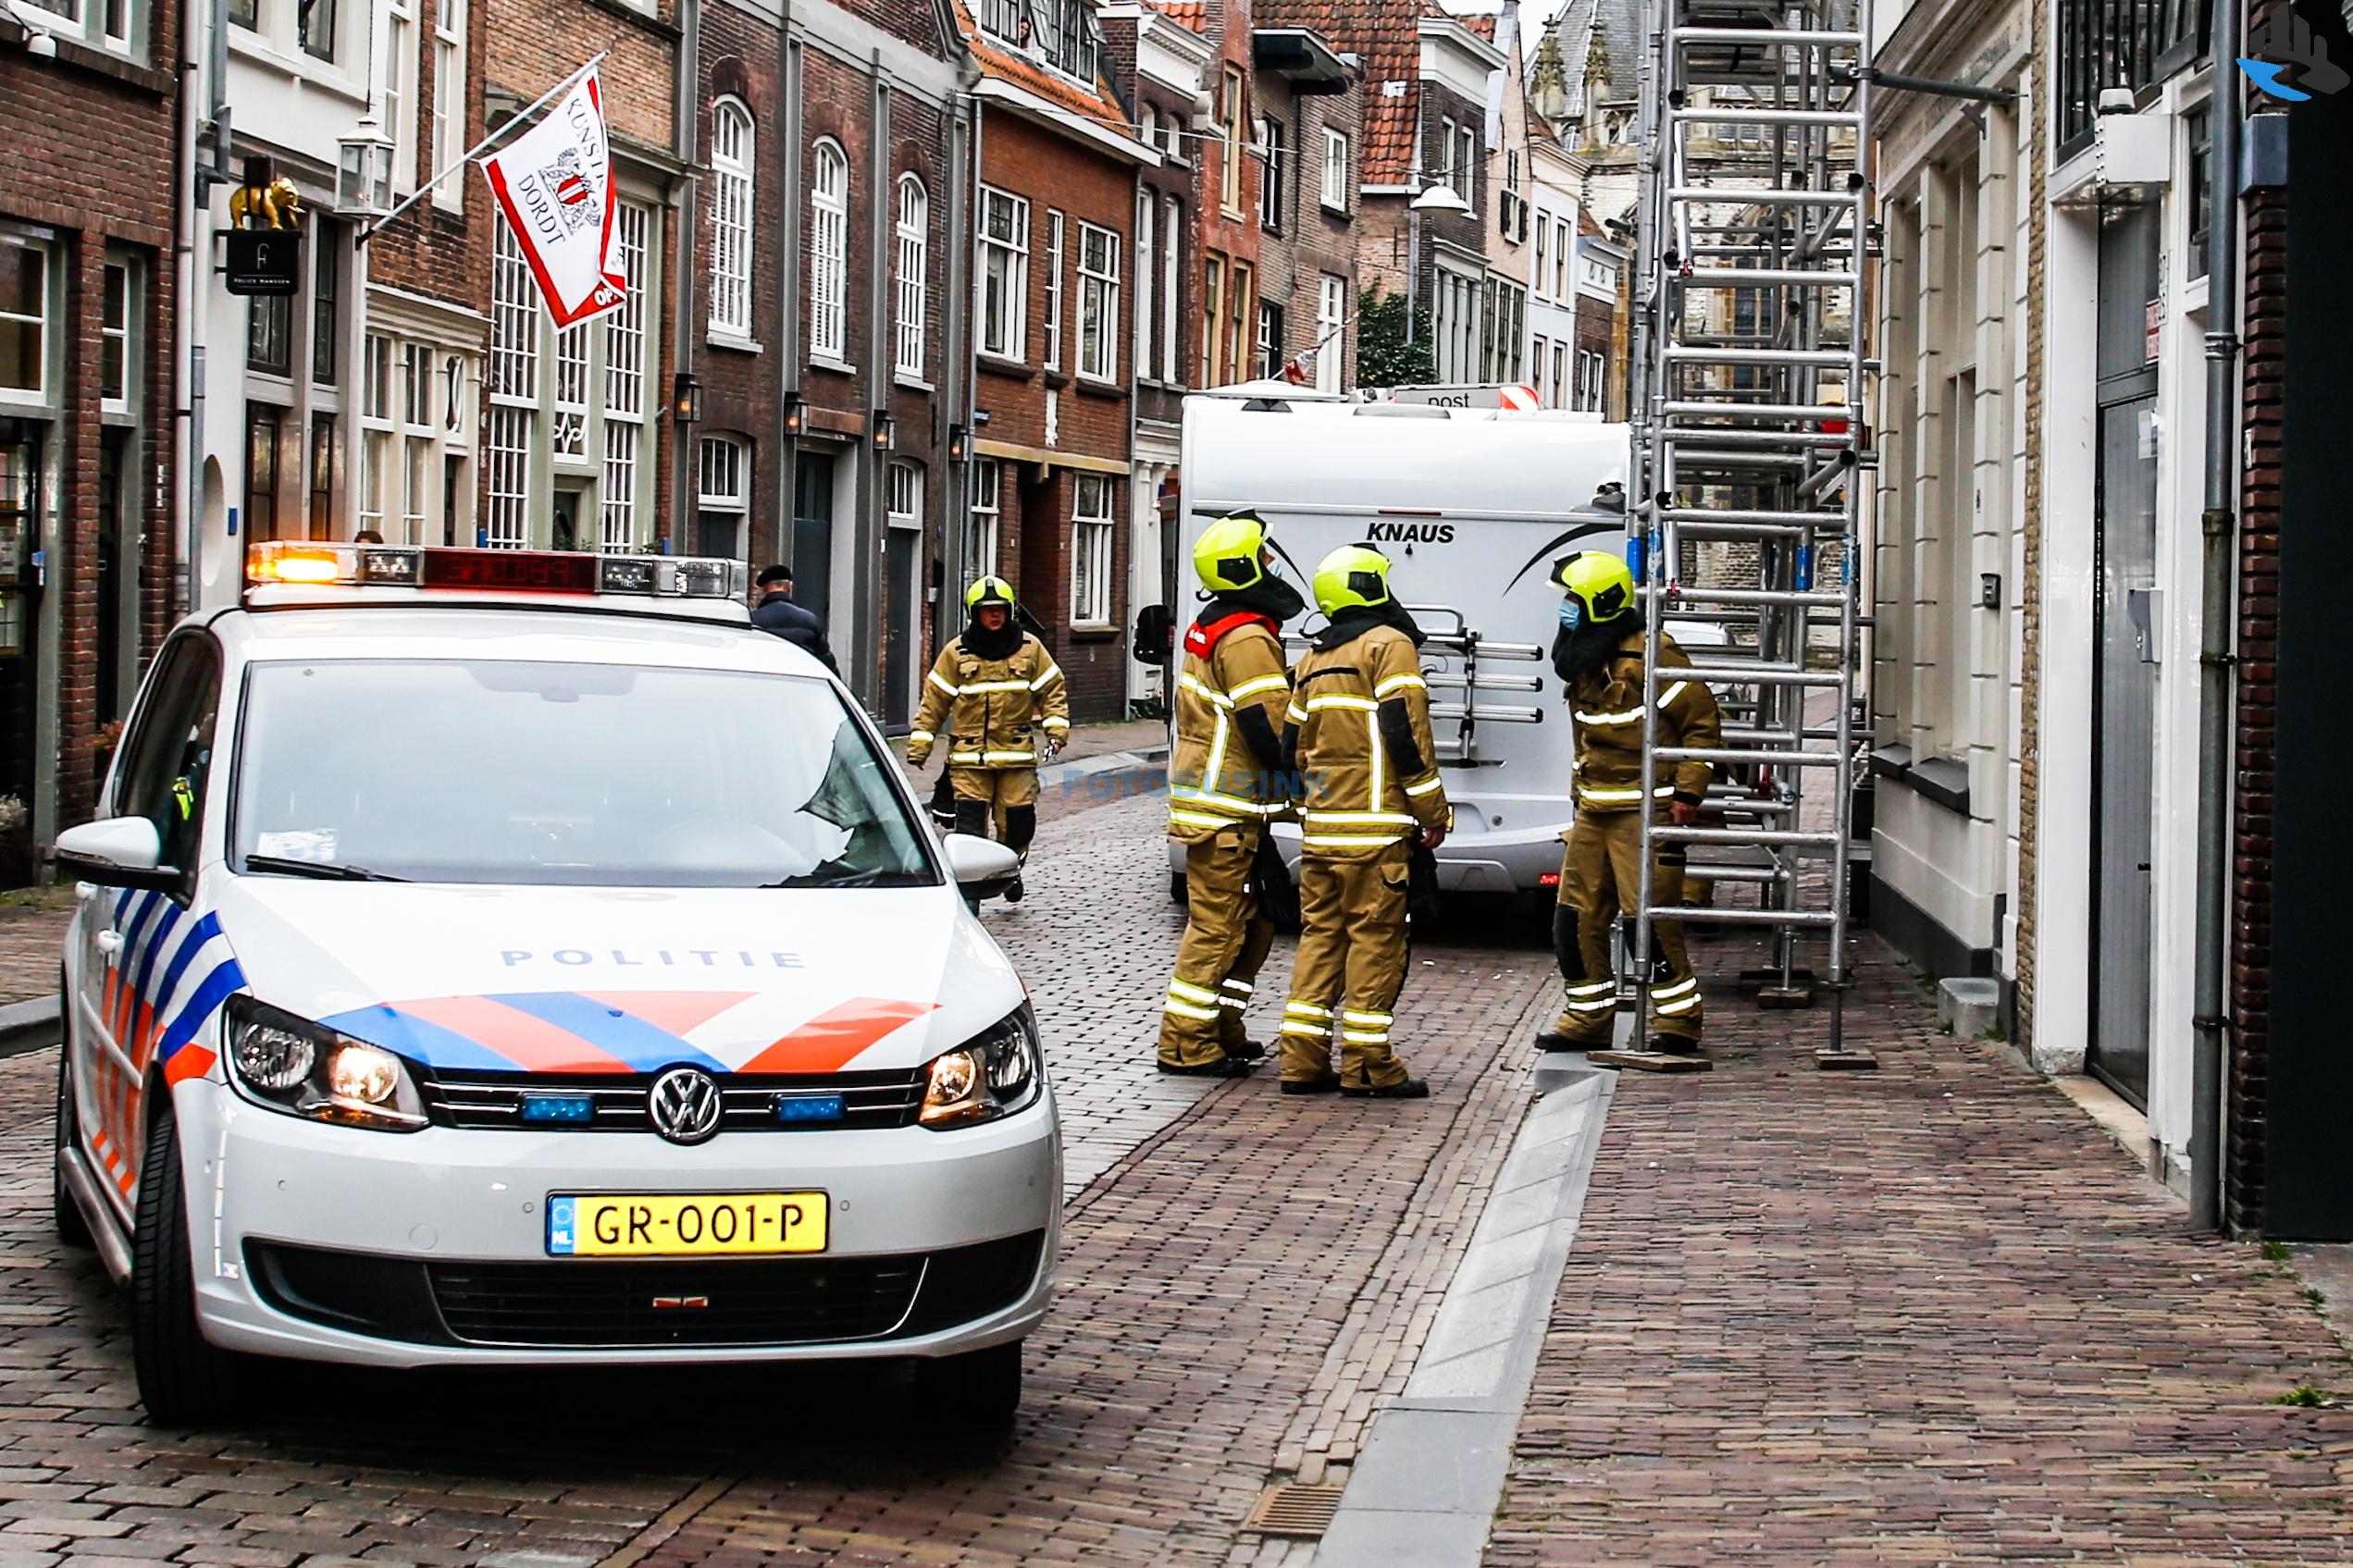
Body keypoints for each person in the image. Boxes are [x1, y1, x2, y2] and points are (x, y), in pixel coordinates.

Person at [1275, 545, 1451, 1099]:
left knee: (1321, 939)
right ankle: (1369, 1065)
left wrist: (1306, 807)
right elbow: (1406, 733)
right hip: (1376, 833)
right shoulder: (1390, 646)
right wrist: (1432, 810)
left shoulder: (1312, 658)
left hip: (1323, 831)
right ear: (1370, 588)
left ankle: (1301, 1061)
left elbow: (1289, 746)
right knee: (1375, 942)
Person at [1534, 550, 1723, 1056]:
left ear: (1599, 603)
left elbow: (1702, 726)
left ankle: (1679, 1021)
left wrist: (1689, 791)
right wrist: (1578, 794)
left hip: (1646, 813)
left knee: (1651, 923)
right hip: (1594, 810)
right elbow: (1586, 737)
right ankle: (1587, 1016)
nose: (1565, 610)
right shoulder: (1586, 659)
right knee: (1574, 918)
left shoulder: (1654, 657)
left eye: (1573, 600)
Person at [1157, 512, 1305, 1079]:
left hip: (1229, 807)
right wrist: (1307, 782)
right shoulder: (1245, 638)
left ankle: (1222, 1027)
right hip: (1226, 810)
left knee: (1256, 921)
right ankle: (1186, 1044)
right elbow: (1268, 727)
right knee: (1218, 928)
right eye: (1264, 556)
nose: (1272, 564)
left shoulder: (1224, 627)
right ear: (1243, 568)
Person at [908, 576, 1070, 902]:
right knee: (970, 827)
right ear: (974, 613)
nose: (994, 615)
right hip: (969, 760)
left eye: (999, 609)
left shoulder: (1031, 649)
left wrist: (1057, 732)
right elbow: (934, 700)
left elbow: (1053, 692)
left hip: (1016, 758)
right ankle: (972, 892)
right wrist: (920, 746)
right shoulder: (956, 653)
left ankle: (1010, 870)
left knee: (1018, 824)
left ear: (1010, 611)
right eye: (986, 610)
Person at [750, 564, 840, 672]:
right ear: (789, 588)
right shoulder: (810, 621)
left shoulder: (752, 619)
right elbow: (826, 662)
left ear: (764, 590)